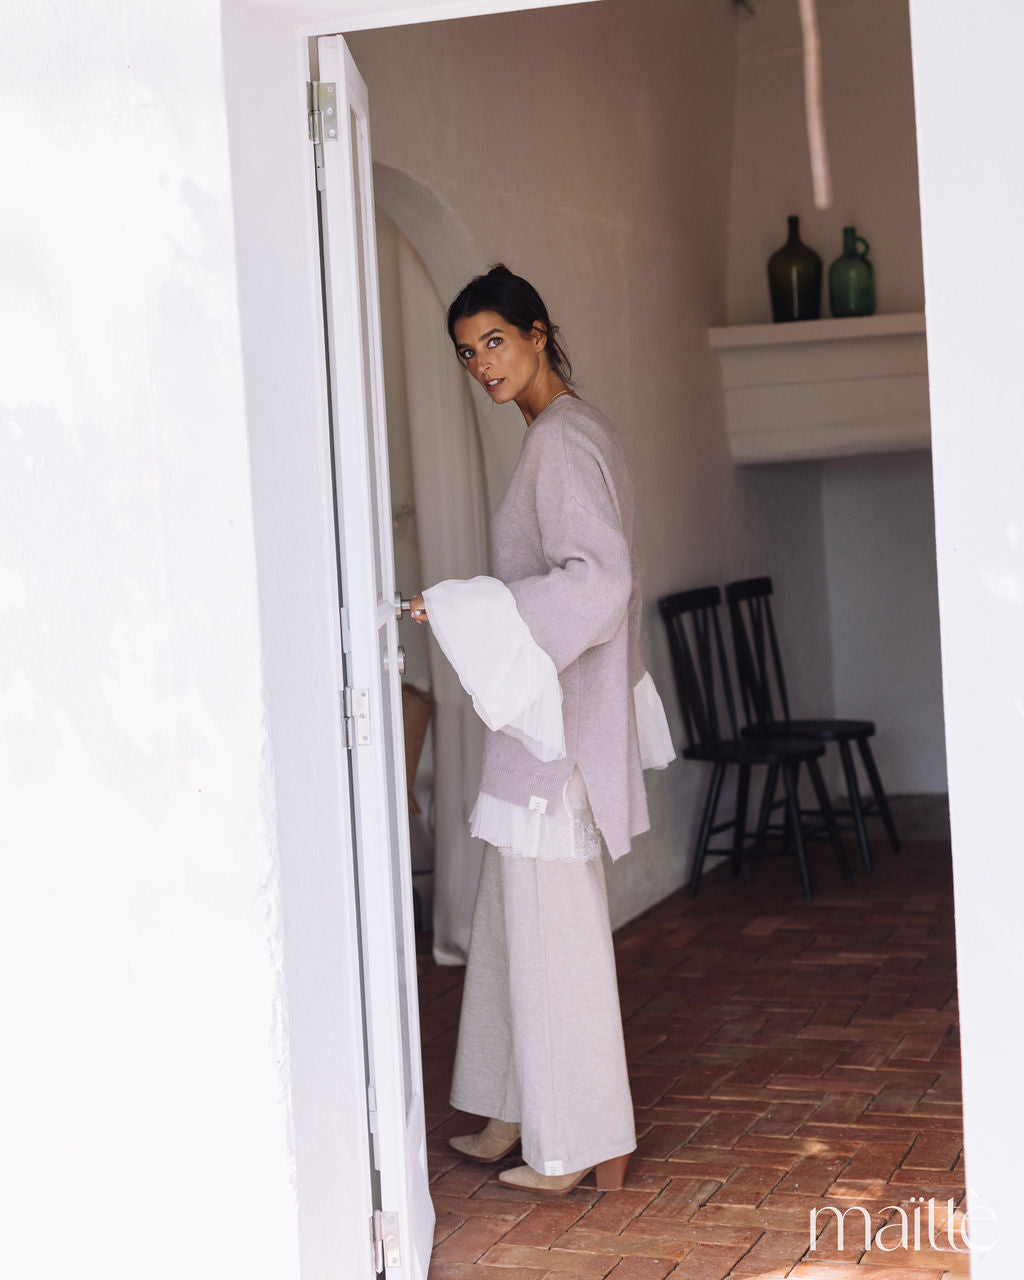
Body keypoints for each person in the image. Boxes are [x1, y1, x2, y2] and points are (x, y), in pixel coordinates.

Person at [409, 265, 674, 1195]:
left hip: (555, 738)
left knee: (553, 940)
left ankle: (583, 1142)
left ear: (537, 332)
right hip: (544, 730)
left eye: (494, 340)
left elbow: (600, 582)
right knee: (508, 928)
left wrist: (468, 606)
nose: (482, 363)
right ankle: (511, 1110)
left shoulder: (559, 440)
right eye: (466, 352)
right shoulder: (569, 429)